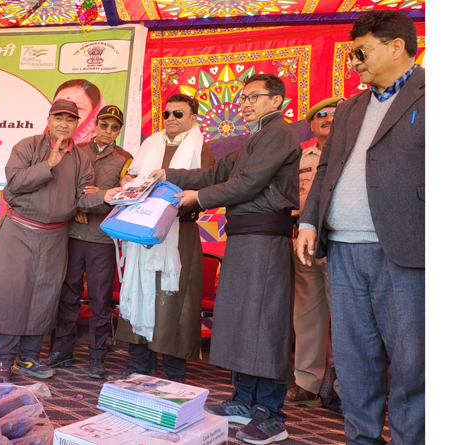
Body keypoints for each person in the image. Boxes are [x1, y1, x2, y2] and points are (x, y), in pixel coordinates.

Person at [296, 10, 425, 445]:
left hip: (405, 252)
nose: (354, 62)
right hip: (344, 252)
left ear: (396, 47)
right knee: (354, 362)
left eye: (361, 51)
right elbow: (327, 169)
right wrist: (311, 219)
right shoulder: (350, 107)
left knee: (413, 365)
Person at [150, 74, 301, 445]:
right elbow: (215, 173)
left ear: (277, 101)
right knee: (240, 321)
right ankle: (244, 401)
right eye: (243, 97)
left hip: (265, 238)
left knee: (265, 323)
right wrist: (167, 174)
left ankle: (271, 415)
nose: (245, 103)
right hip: (245, 236)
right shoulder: (256, 137)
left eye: (254, 97)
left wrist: (195, 199)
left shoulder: (279, 134)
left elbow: (246, 183)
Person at [0, 99, 121, 384]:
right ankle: (4, 360)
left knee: (43, 297)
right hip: (19, 231)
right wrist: (48, 165)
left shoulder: (80, 159)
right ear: (49, 119)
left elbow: (82, 197)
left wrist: (105, 196)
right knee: (11, 294)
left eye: (70, 119)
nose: (64, 124)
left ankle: (28, 358)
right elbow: (14, 183)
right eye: (59, 118)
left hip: (56, 236)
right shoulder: (27, 146)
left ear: (77, 124)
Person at [108, 93, 215, 384]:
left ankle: (174, 371)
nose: (170, 119)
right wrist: (128, 184)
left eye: (178, 114)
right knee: (139, 289)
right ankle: (139, 363)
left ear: (193, 118)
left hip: (178, 233)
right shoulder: (149, 145)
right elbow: (130, 178)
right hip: (141, 231)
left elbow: (208, 188)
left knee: (174, 298)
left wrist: (170, 208)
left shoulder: (201, 150)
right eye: (167, 114)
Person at [46, 105, 133, 380]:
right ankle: (63, 350)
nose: (108, 131)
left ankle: (97, 357)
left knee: (100, 301)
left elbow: (125, 200)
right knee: (67, 296)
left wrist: (99, 197)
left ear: (120, 131)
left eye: (114, 127)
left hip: (101, 239)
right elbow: (61, 189)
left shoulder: (125, 159)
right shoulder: (76, 149)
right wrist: (78, 205)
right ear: (95, 125)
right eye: (104, 125)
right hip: (71, 234)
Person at [285, 96, 345, 408]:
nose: (327, 119)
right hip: (306, 244)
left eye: (335, 114)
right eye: (320, 115)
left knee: (349, 317)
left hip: (342, 244)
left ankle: (346, 387)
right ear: (311, 124)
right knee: (306, 315)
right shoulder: (300, 158)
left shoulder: (353, 153)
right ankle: (307, 383)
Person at [53, 79, 106, 145]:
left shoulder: (97, 153)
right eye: (59, 106)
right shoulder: (38, 146)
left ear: (94, 117)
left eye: (78, 107)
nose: (67, 113)